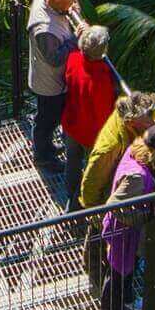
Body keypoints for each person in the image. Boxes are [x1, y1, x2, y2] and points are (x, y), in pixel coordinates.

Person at [97, 124, 155, 310]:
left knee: (128, 267)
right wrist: (146, 215)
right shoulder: (137, 176)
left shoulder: (137, 153)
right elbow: (114, 205)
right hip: (122, 230)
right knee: (117, 272)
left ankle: (126, 300)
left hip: (130, 229)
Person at [80, 89, 155, 210]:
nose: (154, 123)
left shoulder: (149, 114)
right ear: (131, 123)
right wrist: (93, 210)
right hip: (117, 183)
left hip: (143, 176)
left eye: (152, 116)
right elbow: (94, 178)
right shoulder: (111, 146)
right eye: (147, 122)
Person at [25, 0, 83, 175]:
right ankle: (43, 158)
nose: (74, 3)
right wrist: (76, 40)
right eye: (71, 0)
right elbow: (55, 58)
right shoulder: (45, 29)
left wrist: (73, 10)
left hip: (52, 80)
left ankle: (47, 147)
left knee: (47, 118)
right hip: (49, 84)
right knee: (47, 120)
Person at [60, 23, 117, 198]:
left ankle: (70, 193)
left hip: (72, 122)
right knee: (95, 170)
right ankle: (87, 201)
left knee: (73, 162)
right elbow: (103, 112)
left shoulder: (73, 59)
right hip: (92, 133)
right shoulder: (101, 79)